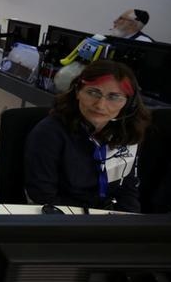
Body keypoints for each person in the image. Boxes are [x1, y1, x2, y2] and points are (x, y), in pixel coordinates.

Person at [24, 60, 150, 212]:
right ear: (78, 92)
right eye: (93, 92)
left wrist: (130, 224)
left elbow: (128, 189)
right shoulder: (49, 133)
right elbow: (42, 196)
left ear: (129, 103)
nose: (100, 105)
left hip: (106, 217)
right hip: (63, 216)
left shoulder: (127, 131)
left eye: (114, 97)